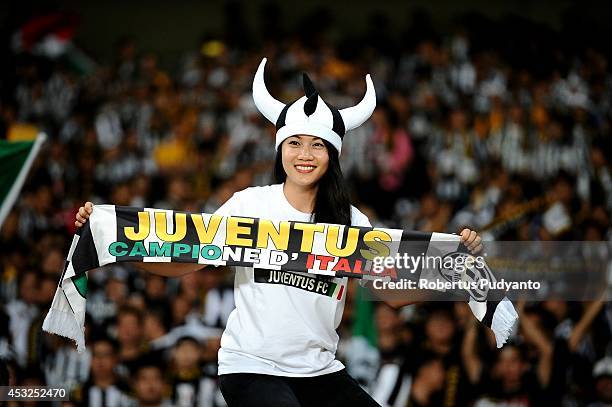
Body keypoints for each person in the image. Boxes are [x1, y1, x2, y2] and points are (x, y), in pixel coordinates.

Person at [75, 58, 483, 406]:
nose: (304, 154)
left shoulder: (352, 221)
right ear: (280, 149)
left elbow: (391, 294)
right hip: (251, 367)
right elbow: (186, 263)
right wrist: (117, 241)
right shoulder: (250, 205)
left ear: (333, 156)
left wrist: (455, 269)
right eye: (295, 144)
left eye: (317, 146)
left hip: (320, 371)